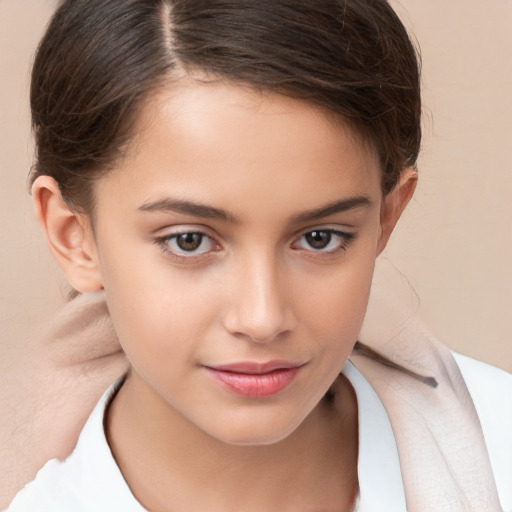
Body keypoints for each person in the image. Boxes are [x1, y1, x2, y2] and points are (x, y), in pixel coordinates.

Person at [3, 0, 511, 510]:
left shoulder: (499, 445)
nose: (262, 319)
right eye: (189, 241)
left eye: (320, 238)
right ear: (74, 236)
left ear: (386, 217)